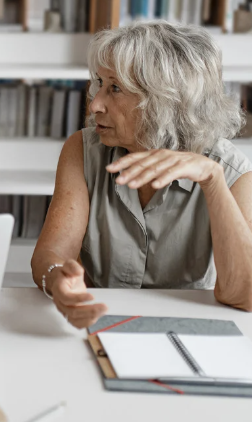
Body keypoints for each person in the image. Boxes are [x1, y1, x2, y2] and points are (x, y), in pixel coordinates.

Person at [31, 21, 252, 329]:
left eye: (115, 88)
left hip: (190, 331)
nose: (95, 104)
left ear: (165, 101)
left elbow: (245, 296)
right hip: (99, 324)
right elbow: (50, 255)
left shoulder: (232, 172)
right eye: (99, 84)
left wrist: (213, 182)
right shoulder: (83, 150)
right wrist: (59, 283)